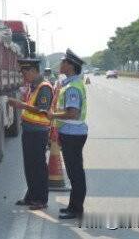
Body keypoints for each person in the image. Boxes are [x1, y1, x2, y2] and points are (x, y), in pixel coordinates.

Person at [46, 48, 88, 219]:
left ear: (70, 66)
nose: (60, 64)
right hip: (71, 133)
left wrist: (53, 115)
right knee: (74, 171)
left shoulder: (72, 87)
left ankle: (76, 209)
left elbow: (73, 113)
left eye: (63, 62)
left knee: (75, 172)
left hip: (73, 133)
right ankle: (73, 206)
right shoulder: (70, 84)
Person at [7, 58, 54, 210]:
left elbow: (43, 109)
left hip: (38, 132)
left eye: (25, 73)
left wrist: (21, 105)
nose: (23, 77)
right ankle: (31, 196)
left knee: (38, 167)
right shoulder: (33, 86)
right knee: (29, 166)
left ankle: (41, 199)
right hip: (29, 131)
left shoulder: (44, 87)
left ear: (33, 71)